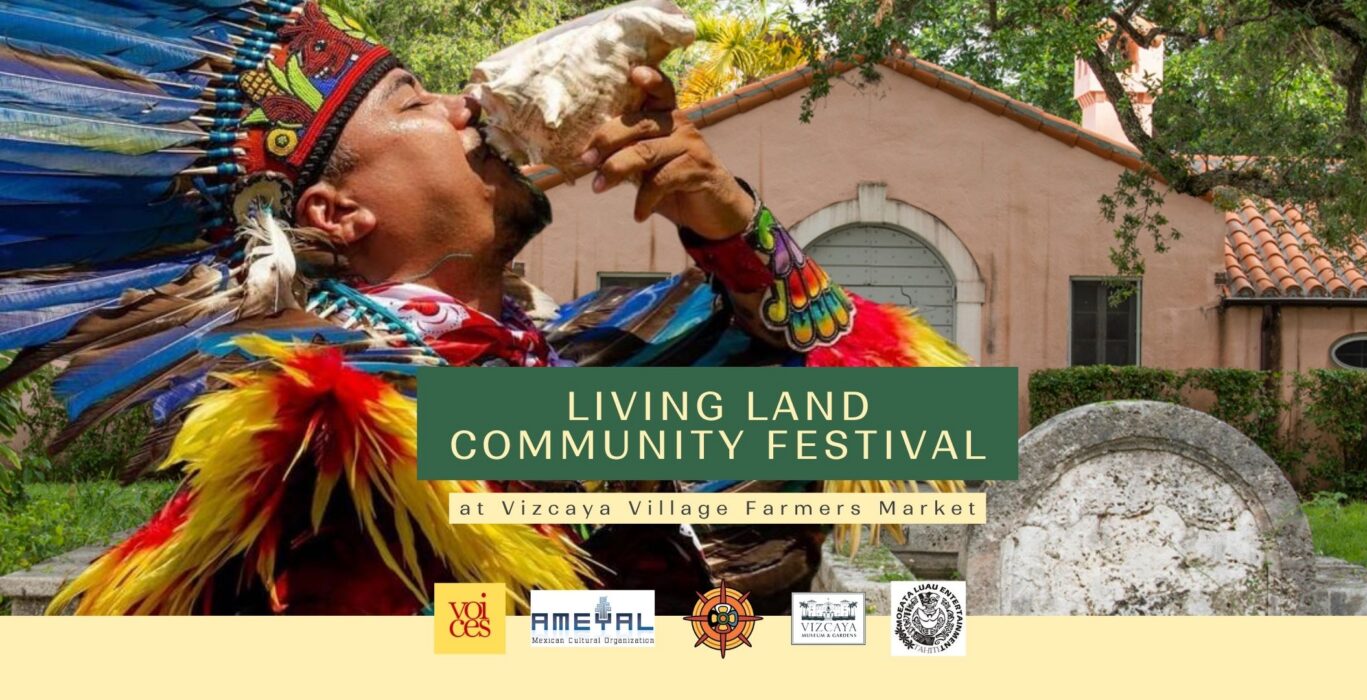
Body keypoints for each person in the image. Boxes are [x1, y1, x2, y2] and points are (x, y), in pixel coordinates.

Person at [0, 0, 964, 615]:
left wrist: (725, 220)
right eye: (417, 103)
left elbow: (893, 420)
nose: (468, 105)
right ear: (339, 211)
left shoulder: (561, 359)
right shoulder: (328, 426)